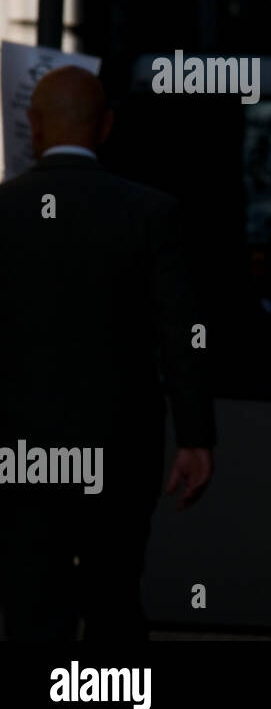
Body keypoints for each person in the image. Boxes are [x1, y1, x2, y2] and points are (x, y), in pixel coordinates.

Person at [0, 65, 215, 640]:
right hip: (119, 447)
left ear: (34, 125)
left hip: (22, 447)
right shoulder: (151, 213)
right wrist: (195, 436)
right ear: (107, 126)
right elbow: (182, 332)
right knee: (113, 591)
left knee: (31, 596)